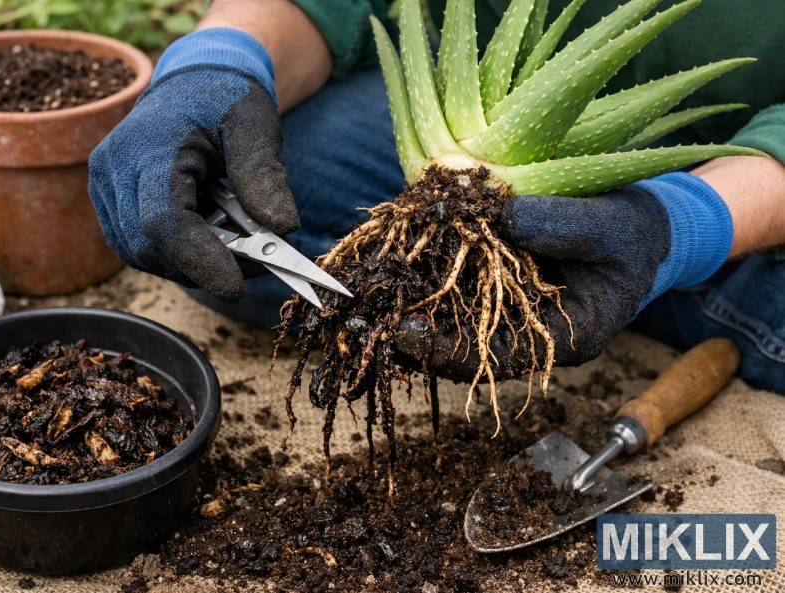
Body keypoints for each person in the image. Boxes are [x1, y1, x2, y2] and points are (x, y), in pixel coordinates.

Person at [88, 0, 785, 393]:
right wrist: (218, 61)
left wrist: (690, 224)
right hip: (471, 100)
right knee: (220, 199)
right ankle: (590, 280)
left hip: (741, 166)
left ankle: (653, 265)